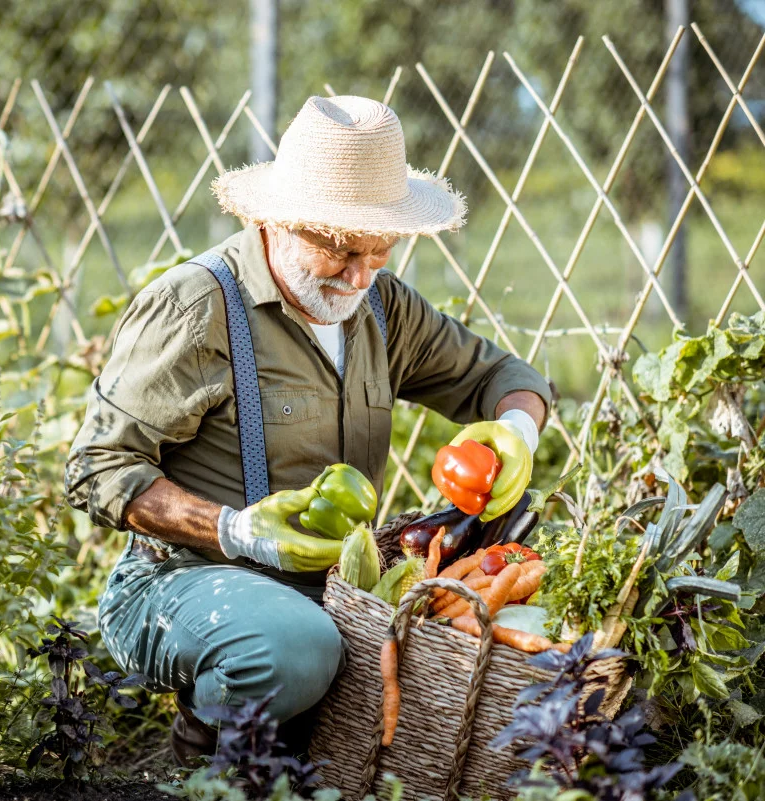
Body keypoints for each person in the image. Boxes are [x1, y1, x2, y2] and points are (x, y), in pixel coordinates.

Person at [64, 95, 549, 764]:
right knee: (298, 646)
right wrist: (236, 530)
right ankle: (194, 764)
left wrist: (515, 434)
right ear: (283, 221)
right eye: (342, 248)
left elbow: (504, 375)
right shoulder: (199, 307)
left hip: (322, 589)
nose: (361, 273)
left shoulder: (382, 306)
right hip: (182, 580)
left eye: (379, 250)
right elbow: (98, 468)